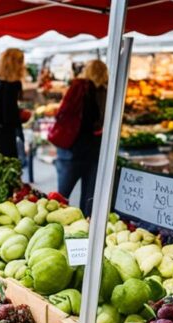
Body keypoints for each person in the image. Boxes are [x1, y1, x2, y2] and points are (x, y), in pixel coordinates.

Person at [52, 59, 107, 215]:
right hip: (95, 146)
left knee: (61, 195)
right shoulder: (106, 91)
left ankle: (57, 222)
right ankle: (86, 228)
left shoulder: (78, 86)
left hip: (72, 146)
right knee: (89, 195)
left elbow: (63, 112)